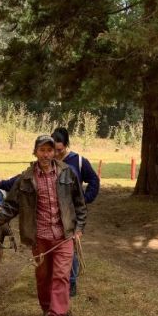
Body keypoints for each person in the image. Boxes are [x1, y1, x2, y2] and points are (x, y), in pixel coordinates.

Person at [0, 135, 86, 316]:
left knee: (61, 276)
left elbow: (79, 203)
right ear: (35, 152)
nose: (46, 154)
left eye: (49, 150)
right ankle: (46, 307)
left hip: (64, 235)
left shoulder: (67, 173)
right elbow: (9, 208)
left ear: (54, 152)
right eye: (42, 150)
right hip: (39, 237)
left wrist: (79, 227)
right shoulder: (25, 179)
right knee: (43, 277)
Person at [51, 127, 99, 297]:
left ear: (66, 145)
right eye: (53, 149)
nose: (56, 153)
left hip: (73, 213)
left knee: (71, 247)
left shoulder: (78, 161)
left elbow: (94, 179)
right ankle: (56, 280)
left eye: (59, 150)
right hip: (54, 211)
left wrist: (86, 199)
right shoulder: (49, 161)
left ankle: (71, 282)